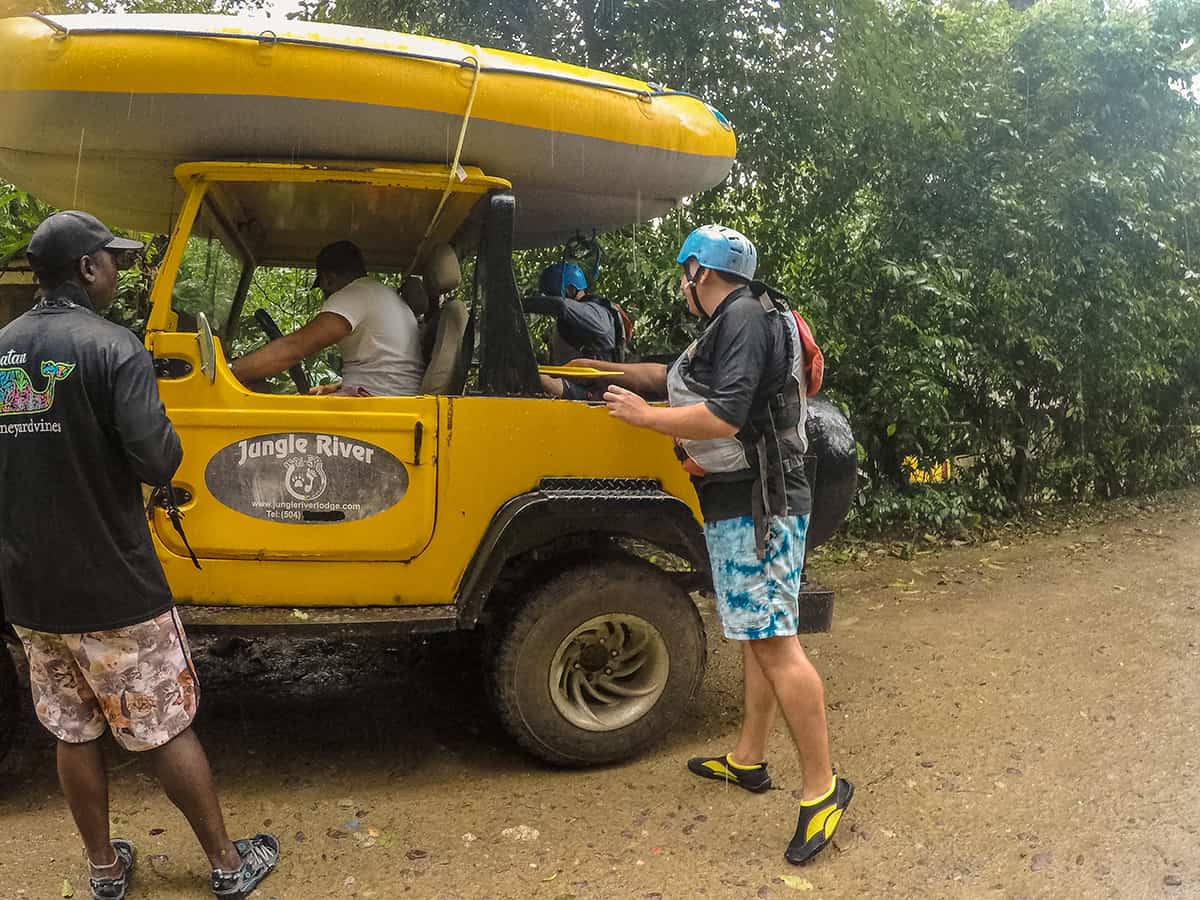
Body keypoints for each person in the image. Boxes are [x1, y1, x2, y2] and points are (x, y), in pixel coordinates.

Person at [0, 210, 279, 899]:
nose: (117, 274)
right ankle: (226, 864)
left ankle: (104, 869)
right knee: (162, 725)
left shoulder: (2, 349)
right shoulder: (113, 346)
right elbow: (158, 460)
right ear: (87, 268)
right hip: (115, 585)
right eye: (112, 261)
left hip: (30, 590)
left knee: (73, 730)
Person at [601, 225, 852, 865]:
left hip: (759, 503)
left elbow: (724, 416)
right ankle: (748, 757)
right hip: (746, 499)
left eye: (683, 274)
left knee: (775, 643)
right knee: (755, 633)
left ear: (700, 272)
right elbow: (673, 375)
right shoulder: (737, 317)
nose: (681, 285)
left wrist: (644, 417)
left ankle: (823, 789)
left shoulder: (740, 318)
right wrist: (604, 372)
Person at [231, 240, 423, 396]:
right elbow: (387, 368)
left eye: (322, 287)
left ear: (328, 279)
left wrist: (229, 370)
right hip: (390, 399)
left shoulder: (354, 295)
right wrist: (335, 387)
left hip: (378, 404)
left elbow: (294, 347)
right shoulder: (380, 293)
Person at [525, 261, 630, 399]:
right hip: (572, 385)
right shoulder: (571, 318)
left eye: (551, 295)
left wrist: (521, 304)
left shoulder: (595, 313)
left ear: (570, 290)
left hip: (594, 393)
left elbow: (560, 305)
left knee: (532, 376)